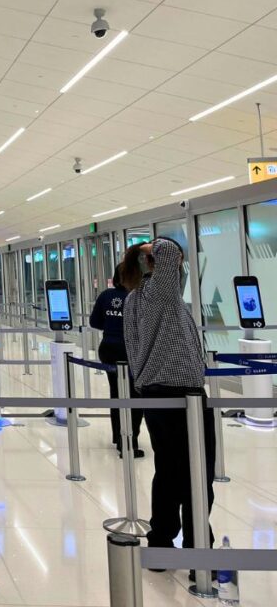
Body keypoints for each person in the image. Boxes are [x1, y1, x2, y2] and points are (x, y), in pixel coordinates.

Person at [121, 237, 215, 564]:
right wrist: (149, 246)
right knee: (196, 474)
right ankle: (199, 551)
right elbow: (170, 250)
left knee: (168, 471)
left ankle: (161, 541)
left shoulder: (135, 300)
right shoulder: (157, 294)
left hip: (156, 394)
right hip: (180, 395)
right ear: (151, 265)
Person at [89, 263, 143, 458]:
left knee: (116, 392)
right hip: (130, 351)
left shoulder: (105, 296)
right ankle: (129, 441)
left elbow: (94, 322)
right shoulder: (139, 297)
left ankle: (118, 435)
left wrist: (111, 325)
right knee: (135, 395)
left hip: (109, 348)